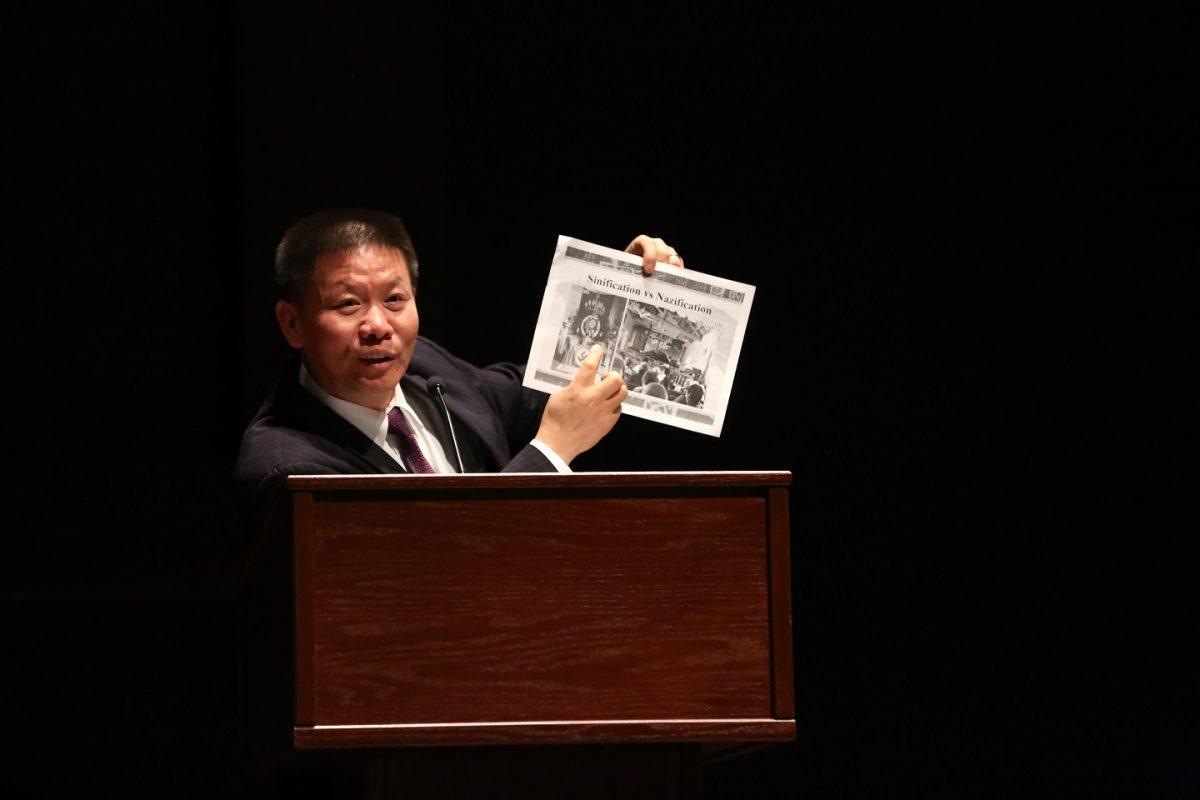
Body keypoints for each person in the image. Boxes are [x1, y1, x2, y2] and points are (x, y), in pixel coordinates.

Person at [234, 208, 683, 521]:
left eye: (395, 299)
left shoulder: (424, 367)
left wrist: (626, 291)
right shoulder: (290, 470)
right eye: (349, 304)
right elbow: (440, 568)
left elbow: (534, 394)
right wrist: (550, 452)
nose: (377, 325)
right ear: (292, 323)